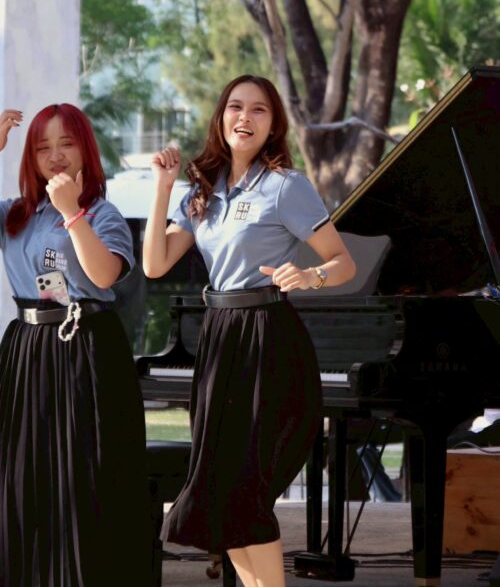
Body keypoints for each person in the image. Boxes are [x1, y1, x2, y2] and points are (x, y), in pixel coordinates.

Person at [143, 74, 356, 587]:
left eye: (259, 109)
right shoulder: (202, 190)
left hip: (268, 337)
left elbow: (343, 263)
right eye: (235, 106)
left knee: (246, 490)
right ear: (221, 118)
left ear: (273, 124)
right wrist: (163, 188)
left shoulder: (285, 186)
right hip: (220, 338)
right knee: (222, 491)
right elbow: (154, 264)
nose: (245, 117)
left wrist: (310, 276)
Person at [0, 105, 151, 587]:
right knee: (24, 476)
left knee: (85, 476)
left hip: (86, 347)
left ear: (86, 149)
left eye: (66, 143)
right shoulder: (15, 214)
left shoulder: (103, 214)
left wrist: (71, 213)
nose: (55, 156)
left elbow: (104, 275)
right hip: (27, 350)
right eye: (42, 147)